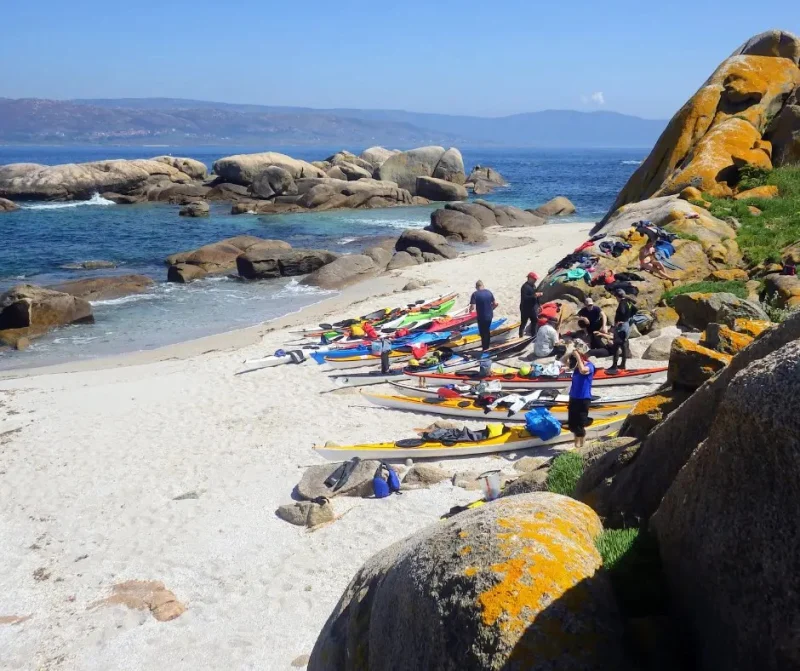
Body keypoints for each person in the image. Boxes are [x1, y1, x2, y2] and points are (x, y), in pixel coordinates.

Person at [562, 342, 595, 450]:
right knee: (573, 424)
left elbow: (583, 370)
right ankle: (576, 445)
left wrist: (578, 356)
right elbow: (563, 361)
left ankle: (582, 446)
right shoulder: (576, 366)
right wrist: (570, 352)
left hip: (583, 398)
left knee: (580, 425)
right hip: (574, 397)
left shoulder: (590, 366)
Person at [608, 288, 638, 373]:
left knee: (616, 346)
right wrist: (627, 318)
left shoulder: (622, 302)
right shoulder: (629, 302)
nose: (616, 298)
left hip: (621, 326)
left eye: (616, 297)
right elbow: (635, 310)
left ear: (618, 296)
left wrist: (618, 322)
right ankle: (623, 364)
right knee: (624, 345)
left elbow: (622, 311)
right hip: (627, 326)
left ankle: (614, 366)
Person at [469, 280, 498, 350]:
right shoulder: (489, 292)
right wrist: (491, 309)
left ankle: (485, 348)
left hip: (481, 316)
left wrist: (470, 311)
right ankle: (487, 346)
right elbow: (495, 304)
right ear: (483, 285)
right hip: (489, 315)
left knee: (482, 332)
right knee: (487, 331)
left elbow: (472, 307)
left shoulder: (475, 294)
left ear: (476, 287)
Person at [519, 272, 543, 338]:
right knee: (524, 322)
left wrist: (539, 305)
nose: (535, 280)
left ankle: (534, 336)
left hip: (533, 307)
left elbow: (536, 297)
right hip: (525, 308)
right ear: (529, 278)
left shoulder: (533, 286)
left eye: (536, 279)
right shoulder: (525, 287)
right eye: (534, 279)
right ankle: (520, 336)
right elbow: (525, 298)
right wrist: (534, 295)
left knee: (534, 321)